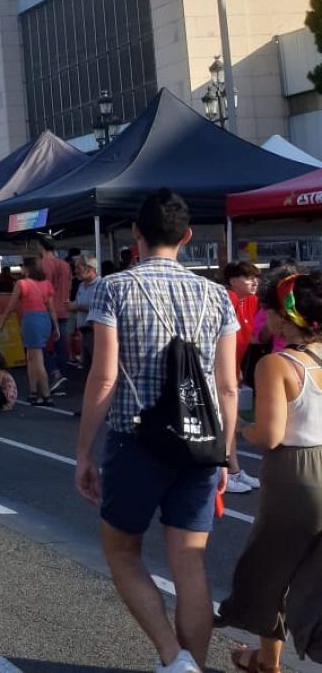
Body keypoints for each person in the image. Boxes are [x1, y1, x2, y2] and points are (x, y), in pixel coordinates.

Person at [74, 189, 240, 673]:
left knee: (122, 551)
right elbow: (228, 387)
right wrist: (227, 453)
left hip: (136, 439)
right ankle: (194, 665)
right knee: (190, 562)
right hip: (200, 443)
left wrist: (84, 451)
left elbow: (104, 377)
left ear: (136, 234)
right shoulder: (218, 295)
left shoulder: (114, 288)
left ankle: (174, 657)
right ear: (187, 237)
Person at [216, 271, 322, 671]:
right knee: (314, 575)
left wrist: (241, 427)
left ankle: (267, 662)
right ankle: (266, 658)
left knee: (267, 570)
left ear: (284, 317)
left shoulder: (277, 365)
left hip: (294, 476)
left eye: (269, 312)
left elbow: (269, 436)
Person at [224, 262, 264, 495]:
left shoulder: (252, 301)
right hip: (217, 369)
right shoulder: (226, 298)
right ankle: (227, 472)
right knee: (226, 422)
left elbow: (253, 338)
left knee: (230, 421)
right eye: (248, 277)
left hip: (232, 367)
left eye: (256, 277)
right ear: (232, 281)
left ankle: (234, 470)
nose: (255, 282)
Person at [0, 261, 59, 406]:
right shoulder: (46, 284)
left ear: (27, 268)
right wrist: (55, 326)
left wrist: (2, 322)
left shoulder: (21, 284)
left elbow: (11, 305)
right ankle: (34, 392)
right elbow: (51, 308)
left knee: (36, 358)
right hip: (44, 319)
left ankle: (45, 393)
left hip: (31, 319)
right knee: (32, 357)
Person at [37, 235, 76, 382]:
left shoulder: (44, 264)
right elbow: (70, 287)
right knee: (62, 345)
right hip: (64, 309)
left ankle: (54, 372)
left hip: (48, 309)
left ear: (41, 246)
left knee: (40, 345)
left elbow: (45, 289)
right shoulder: (65, 265)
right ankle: (62, 375)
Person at [73, 259, 101, 381]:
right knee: (87, 364)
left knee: (96, 362)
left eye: (79, 269)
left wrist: (77, 306)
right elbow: (78, 303)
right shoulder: (81, 285)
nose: (76, 272)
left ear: (91, 269)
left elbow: (98, 307)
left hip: (94, 330)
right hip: (84, 330)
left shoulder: (100, 285)